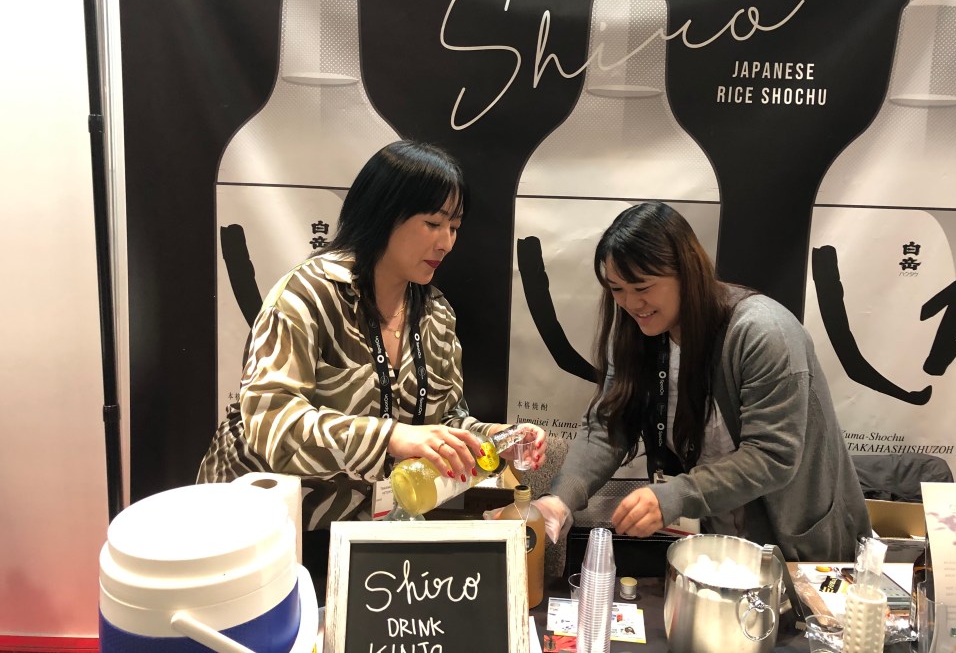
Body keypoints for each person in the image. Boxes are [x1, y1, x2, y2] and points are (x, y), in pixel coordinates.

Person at [198, 140, 547, 539]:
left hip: (366, 530)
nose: (447, 243)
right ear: (383, 212)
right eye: (433, 224)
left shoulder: (435, 313)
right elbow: (269, 421)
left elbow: (445, 422)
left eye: (454, 227)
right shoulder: (308, 294)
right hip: (265, 525)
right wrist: (390, 437)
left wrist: (498, 439)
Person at [533, 202, 870, 561]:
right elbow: (608, 425)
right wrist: (561, 499)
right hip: (716, 543)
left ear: (687, 272)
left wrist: (676, 496)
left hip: (799, 549)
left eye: (642, 287)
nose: (631, 303)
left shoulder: (763, 333)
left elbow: (771, 455)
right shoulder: (639, 332)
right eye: (616, 289)